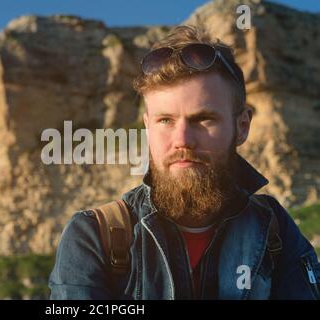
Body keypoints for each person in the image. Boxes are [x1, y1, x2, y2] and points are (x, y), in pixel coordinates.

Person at [48, 25, 319, 299]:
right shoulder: (94, 234)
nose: (183, 140)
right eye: (165, 120)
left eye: (203, 119)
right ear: (148, 128)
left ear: (242, 127)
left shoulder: (274, 228)